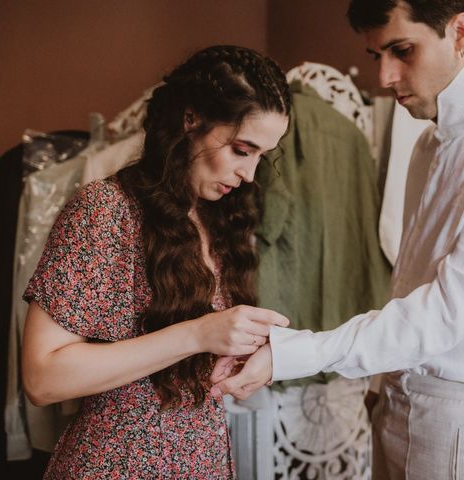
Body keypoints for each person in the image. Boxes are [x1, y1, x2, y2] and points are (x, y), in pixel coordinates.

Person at [210, 2, 464, 479]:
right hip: (397, 400)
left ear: (459, 32)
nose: (386, 76)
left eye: (402, 51)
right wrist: (381, 386)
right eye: (376, 56)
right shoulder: (429, 145)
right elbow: (410, 284)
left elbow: (446, 313)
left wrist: (289, 353)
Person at [21, 45, 291, 479]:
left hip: (201, 463)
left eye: (262, 155)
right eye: (242, 149)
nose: (250, 174)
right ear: (191, 120)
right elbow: (42, 378)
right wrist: (199, 334)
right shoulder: (106, 211)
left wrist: (242, 357)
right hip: (117, 465)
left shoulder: (219, 218)